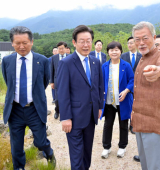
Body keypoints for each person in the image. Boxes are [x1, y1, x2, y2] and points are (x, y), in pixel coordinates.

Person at [1, 26, 56, 170]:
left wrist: (33, 96)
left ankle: (49, 153)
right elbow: (9, 83)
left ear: (31, 42)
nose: (21, 46)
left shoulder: (42, 60)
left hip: (34, 109)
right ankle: (19, 167)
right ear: (12, 43)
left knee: (40, 142)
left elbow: (43, 82)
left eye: (25, 42)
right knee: (16, 146)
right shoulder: (7, 61)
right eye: (17, 43)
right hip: (15, 109)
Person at [56, 25, 104, 170]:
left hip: (90, 116)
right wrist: (65, 117)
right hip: (74, 118)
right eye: (82, 41)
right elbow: (62, 92)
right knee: (76, 157)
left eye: (88, 41)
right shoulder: (66, 63)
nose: (85, 44)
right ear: (74, 42)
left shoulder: (96, 62)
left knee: (87, 153)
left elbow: (99, 87)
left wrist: (100, 106)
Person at [131, 21, 160, 170]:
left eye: (145, 38)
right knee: (146, 165)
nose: (141, 43)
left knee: (156, 167)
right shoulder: (142, 58)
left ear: (154, 37)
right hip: (140, 122)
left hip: (155, 125)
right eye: (137, 39)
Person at [100, 41, 134, 159]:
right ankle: (106, 147)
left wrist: (126, 91)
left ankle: (122, 147)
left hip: (122, 101)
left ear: (120, 51)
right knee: (107, 124)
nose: (114, 52)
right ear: (108, 52)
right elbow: (100, 83)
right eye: (111, 50)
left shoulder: (126, 65)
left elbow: (132, 80)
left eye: (116, 50)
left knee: (123, 124)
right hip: (109, 101)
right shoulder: (104, 66)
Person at [121, 36, 142, 134]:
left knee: (137, 106)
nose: (129, 45)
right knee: (129, 105)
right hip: (127, 86)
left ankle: (133, 125)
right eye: (128, 43)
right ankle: (127, 124)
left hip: (139, 85)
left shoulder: (141, 56)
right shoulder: (123, 56)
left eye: (132, 43)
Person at [51, 41, 67, 119]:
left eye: (62, 48)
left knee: (68, 97)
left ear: (65, 48)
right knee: (57, 99)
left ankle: (66, 112)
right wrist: (51, 82)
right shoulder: (54, 58)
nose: (61, 50)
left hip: (68, 81)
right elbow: (52, 70)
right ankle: (57, 111)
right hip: (57, 81)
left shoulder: (70, 57)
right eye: (59, 49)